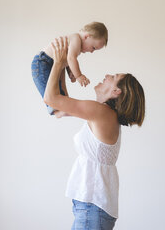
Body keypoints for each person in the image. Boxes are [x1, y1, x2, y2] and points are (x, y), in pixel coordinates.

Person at [44, 37, 145, 230]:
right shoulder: (103, 114)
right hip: (91, 207)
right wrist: (64, 67)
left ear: (116, 91)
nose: (107, 75)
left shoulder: (102, 113)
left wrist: (58, 62)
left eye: (113, 76)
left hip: (92, 207)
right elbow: (58, 110)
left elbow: (50, 99)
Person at [31, 22, 108, 115]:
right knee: (50, 93)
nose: (91, 51)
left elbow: (67, 59)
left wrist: (70, 71)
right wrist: (78, 75)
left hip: (49, 63)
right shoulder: (76, 39)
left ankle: (58, 108)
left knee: (59, 95)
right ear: (87, 36)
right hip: (43, 63)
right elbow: (71, 58)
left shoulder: (76, 42)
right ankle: (54, 108)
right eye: (93, 47)